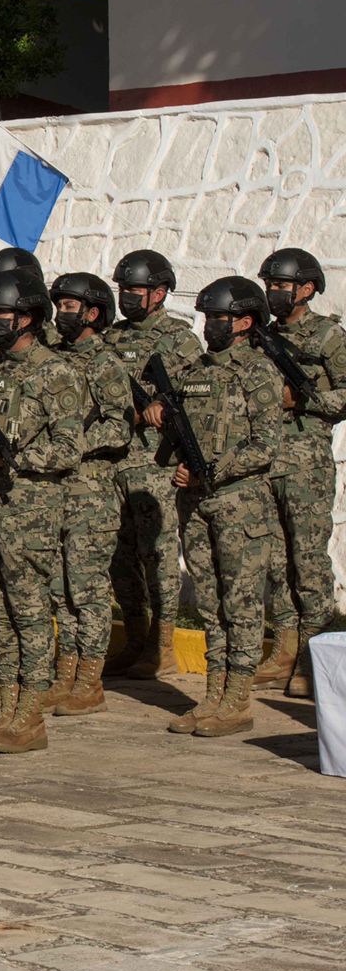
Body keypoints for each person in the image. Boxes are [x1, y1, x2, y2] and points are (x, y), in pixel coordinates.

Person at [144, 277, 282, 736]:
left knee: (240, 601)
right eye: (208, 317)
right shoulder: (196, 371)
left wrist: (211, 471)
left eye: (219, 318)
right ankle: (214, 694)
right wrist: (162, 421)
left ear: (244, 322)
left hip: (240, 504)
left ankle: (238, 699)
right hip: (196, 502)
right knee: (209, 600)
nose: (210, 326)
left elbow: (265, 446)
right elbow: (184, 432)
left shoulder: (258, 371)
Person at [0, 272, 83, 754]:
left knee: (29, 614)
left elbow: (69, 448)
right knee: (3, 614)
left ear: (27, 318)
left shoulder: (57, 373)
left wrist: (8, 460)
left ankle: (30, 715)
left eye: (2, 315)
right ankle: (7, 709)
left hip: (28, 512)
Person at [252, 248, 346, 698]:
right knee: (274, 561)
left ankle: (315, 656)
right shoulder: (261, 338)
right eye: (269, 285)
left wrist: (302, 399)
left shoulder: (328, 336)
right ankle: (284, 649)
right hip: (263, 459)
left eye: (281, 286)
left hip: (305, 462)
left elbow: (344, 396)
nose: (274, 293)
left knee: (308, 563)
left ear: (306, 289)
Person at [104, 249, 203, 679]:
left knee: (158, 553)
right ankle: (137, 638)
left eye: (136, 289)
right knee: (118, 555)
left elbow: (197, 394)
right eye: (123, 289)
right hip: (114, 460)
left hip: (154, 464)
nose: (127, 296)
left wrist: (163, 404)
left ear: (160, 293)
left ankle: (162, 646)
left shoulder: (179, 338)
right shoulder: (111, 337)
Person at [44, 272, 133, 717]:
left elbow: (120, 426)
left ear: (93, 313)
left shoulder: (106, 363)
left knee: (87, 588)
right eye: (58, 305)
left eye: (69, 307)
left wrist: (72, 442)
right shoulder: (52, 359)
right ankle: (66, 673)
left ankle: (90, 679)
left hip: (90, 493)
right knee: (59, 589)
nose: (61, 313)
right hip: (54, 491)